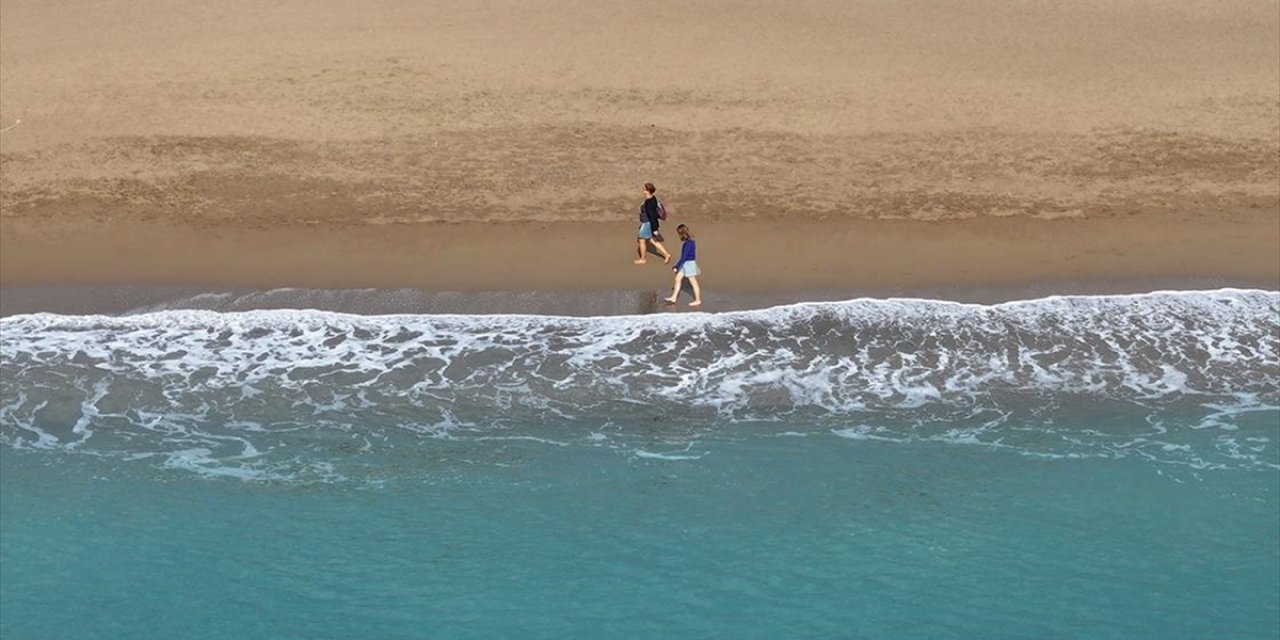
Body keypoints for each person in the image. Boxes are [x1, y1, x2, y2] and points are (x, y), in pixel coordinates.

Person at [664, 224, 702, 307]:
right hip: (686, 264)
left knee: (693, 282)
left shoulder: (688, 243)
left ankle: (698, 300)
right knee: (677, 279)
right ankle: (673, 298)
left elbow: (684, 257)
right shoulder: (689, 242)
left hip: (689, 264)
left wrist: (676, 266)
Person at [634, 182, 671, 265]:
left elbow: (652, 216)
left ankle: (642, 259)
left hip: (647, 224)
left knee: (641, 240)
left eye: (644, 189)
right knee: (652, 240)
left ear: (647, 191)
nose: (642, 190)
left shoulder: (648, 203)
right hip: (648, 223)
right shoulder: (653, 198)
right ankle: (666, 254)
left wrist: (654, 229)